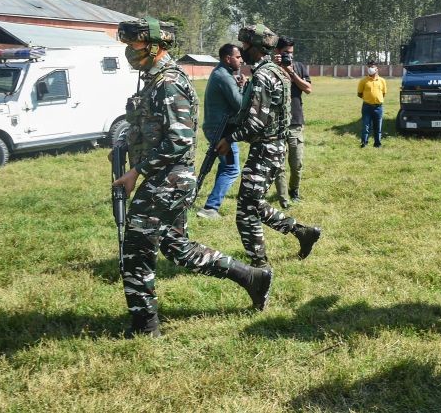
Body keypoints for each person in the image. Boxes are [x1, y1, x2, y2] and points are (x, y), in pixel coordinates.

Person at [112, 17, 272, 338]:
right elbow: (154, 131)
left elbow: (179, 140)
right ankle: (251, 277)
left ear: (155, 46)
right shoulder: (154, 80)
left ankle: (145, 327)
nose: (130, 51)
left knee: (136, 250)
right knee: (177, 247)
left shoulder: (169, 82)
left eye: (134, 45)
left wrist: (135, 172)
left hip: (167, 181)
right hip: (168, 178)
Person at [216, 23, 321, 268]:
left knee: (245, 212)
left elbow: (256, 124)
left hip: (266, 149)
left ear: (256, 47)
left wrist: (228, 139)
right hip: (273, 148)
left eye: (246, 45)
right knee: (254, 204)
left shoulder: (264, 75)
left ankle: (260, 268)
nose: (243, 50)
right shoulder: (275, 71)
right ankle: (302, 233)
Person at [196, 43, 246, 219]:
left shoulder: (222, 73)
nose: (241, 60)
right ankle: (210, 208)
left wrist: (239, 86)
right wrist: (245, 88)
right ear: (228, 58)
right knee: (232, 168)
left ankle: (210, 205)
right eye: (238, 57)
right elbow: (240, 104)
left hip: (216, 127)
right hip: (220, 131)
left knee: (226, 166)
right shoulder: (224, 76)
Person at [271, 36, 312, 209]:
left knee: (296, 163)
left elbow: (308, 89)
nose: (289, 56)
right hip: (276, 123)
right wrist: (277, 67)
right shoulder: (271, 68)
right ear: (277, 52)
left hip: (295, 121)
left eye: (291, 53)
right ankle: (284, 199)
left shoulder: (299, 67)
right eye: (286, 53)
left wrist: (291, 72)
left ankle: (294, 190)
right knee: (279, 165)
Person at [357, 61, 387, 148]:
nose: (370, 68)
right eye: (369, 67)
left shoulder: (382, 81)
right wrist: (368, 99)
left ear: (377, 69)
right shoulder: (363, 81)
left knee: (378, 127)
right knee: (366, 126)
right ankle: (364, 143)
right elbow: (359, 94)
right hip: (367, 107)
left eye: (372, 67)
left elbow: (384, 93)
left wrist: (376, 99)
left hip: (378, 108)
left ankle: (377, 144)